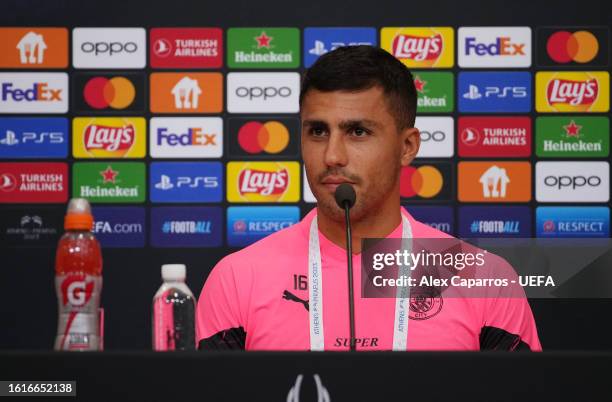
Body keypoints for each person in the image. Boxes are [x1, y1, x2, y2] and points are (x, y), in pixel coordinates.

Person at [196, 45, 541, 351]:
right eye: (317, 131)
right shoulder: (237, 279)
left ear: (407, 147)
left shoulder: (484, 281)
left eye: (357, 132)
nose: (332, 155)